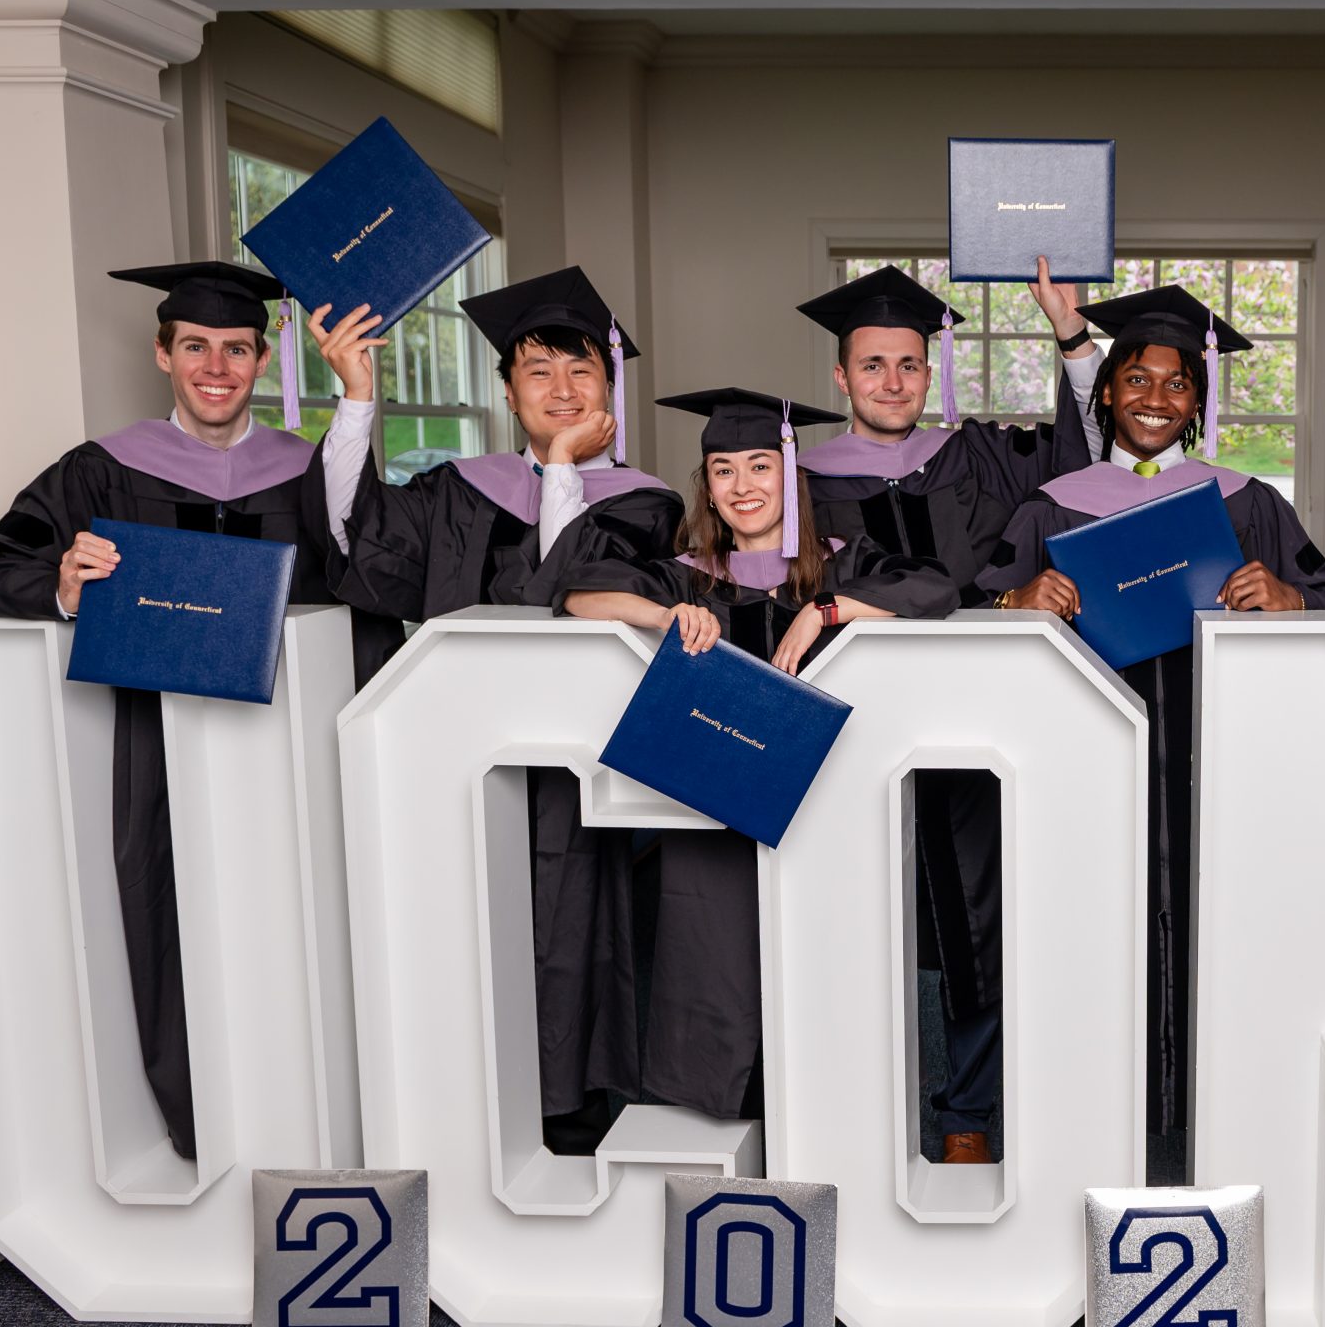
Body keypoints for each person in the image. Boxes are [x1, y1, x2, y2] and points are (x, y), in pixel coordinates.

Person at [0, 261, 397, 1161]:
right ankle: (204, 1129)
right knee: (170, 915)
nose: (215, 366)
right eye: (196, 346)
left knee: (307, 913)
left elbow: (374, 573)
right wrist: (62, 585)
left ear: (262, 362)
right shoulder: (103, 472)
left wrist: (355, 403)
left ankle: (317, 1116)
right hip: (158, 744)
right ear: (163, 353)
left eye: (235, 348)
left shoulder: (307, 473)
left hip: (292, 745)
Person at [303, 265, 683, 1153]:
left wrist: (559, 472)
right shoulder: (451, 492)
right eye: (539, 372)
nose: (561, 389)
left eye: (580, 372)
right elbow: (355, 548)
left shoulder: (646, 502)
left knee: (582, 937)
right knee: (459, 928)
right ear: (508, 390)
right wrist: (359, 400)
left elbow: (573, 592)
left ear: (608, 390)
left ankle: (576, 1117)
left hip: (587, 776)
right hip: (457, 773)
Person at [977, 286, 1325, 1157]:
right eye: (1136, 377)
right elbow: (968, 606)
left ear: (1199, 399)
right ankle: (1082, 1123)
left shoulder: (1247, 501)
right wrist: (1014, 596)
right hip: (1079, 768)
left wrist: (1292, 598)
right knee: (1082, 929)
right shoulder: (1051, 503)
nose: (1155, 396)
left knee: (1219, 929)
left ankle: (1213, 1123)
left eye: (1176, 383)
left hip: (1213, 765)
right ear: (1104, 390)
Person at [560, 388, 957, 1120]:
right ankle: (723, 1112)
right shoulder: (687, 571)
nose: (742, 487)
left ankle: (835, 1113)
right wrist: (666, 612)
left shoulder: (838, 564)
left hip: (826, 805)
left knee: (824, 951)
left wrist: (823, 608)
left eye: (759, 466)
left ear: (790, 473)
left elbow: (934, 586)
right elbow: (580, 594)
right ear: (705, 486)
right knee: (714, 956)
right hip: (716, 807)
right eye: (722, 470)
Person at [795, 260, 1099, 1166]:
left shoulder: (976, 458)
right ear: (841, 378)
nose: (894, 382)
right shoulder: (795, 478)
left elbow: (1074, 474)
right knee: (838, 917)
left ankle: (968, 1107)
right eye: (874, 365)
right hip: (845, 730)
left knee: (977, 917)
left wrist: (1072, 338)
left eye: (909, 365)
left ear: (930, 372)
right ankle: (841, 1118)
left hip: (976, 727)